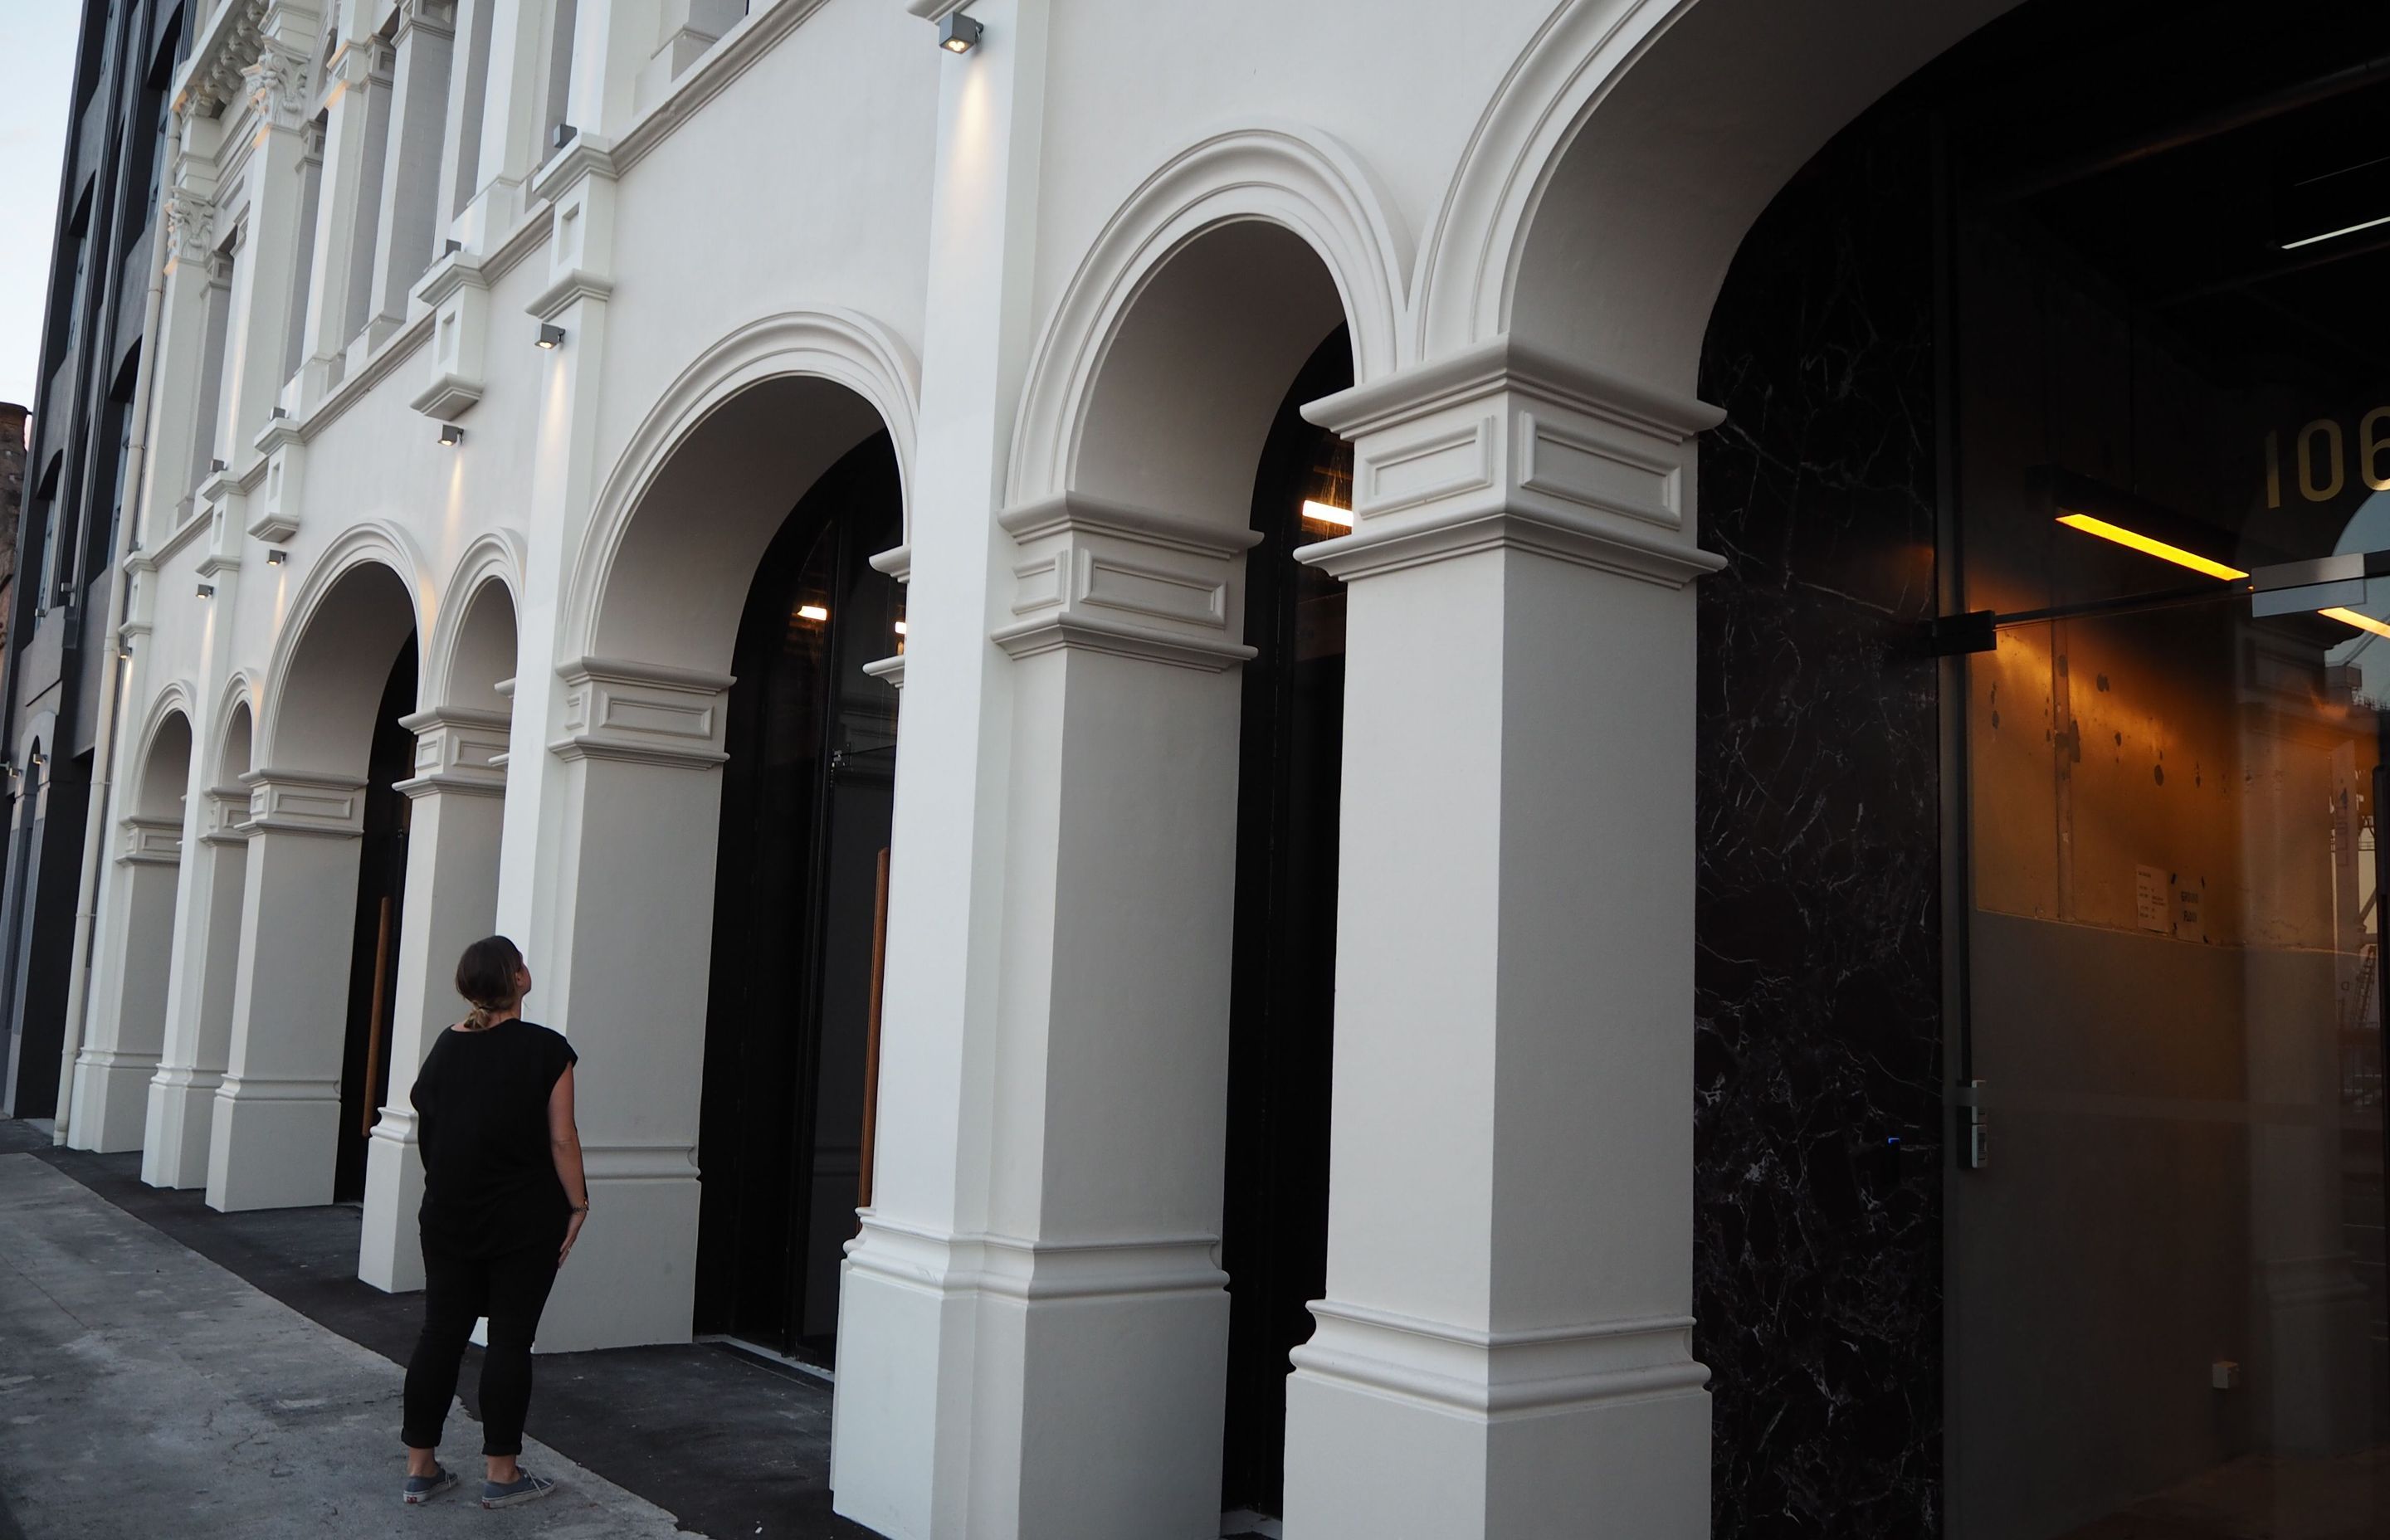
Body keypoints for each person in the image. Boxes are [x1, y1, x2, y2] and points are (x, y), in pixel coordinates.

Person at [398, 935, 589, 1508]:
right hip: (525, 1218)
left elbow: (430, 1123)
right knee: (509, 1339)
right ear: (518, 980)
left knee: (441, 1334)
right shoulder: (547, 1049)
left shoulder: (444, 1048)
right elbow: (562, 1137)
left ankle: (420, 1467)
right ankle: (502, 1473)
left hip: (449, 1213)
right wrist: (579, 1204)